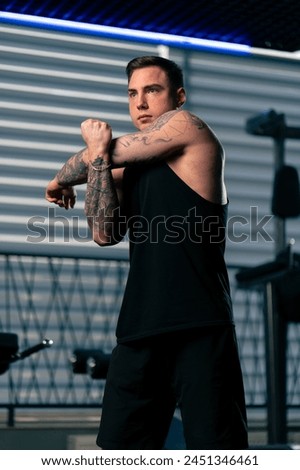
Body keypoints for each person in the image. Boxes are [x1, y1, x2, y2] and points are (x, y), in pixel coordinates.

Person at [45, 56, 248, 450]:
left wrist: (59, 177)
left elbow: (105, 153)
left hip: (199, 324)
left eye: (152, 91)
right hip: (139, 328)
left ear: (179, 96)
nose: (140, 103)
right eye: (132, 93)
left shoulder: (189, 128)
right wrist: (97, 159)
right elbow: (104, 233)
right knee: (121, 452)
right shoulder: (118, 165)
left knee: (217, 453)